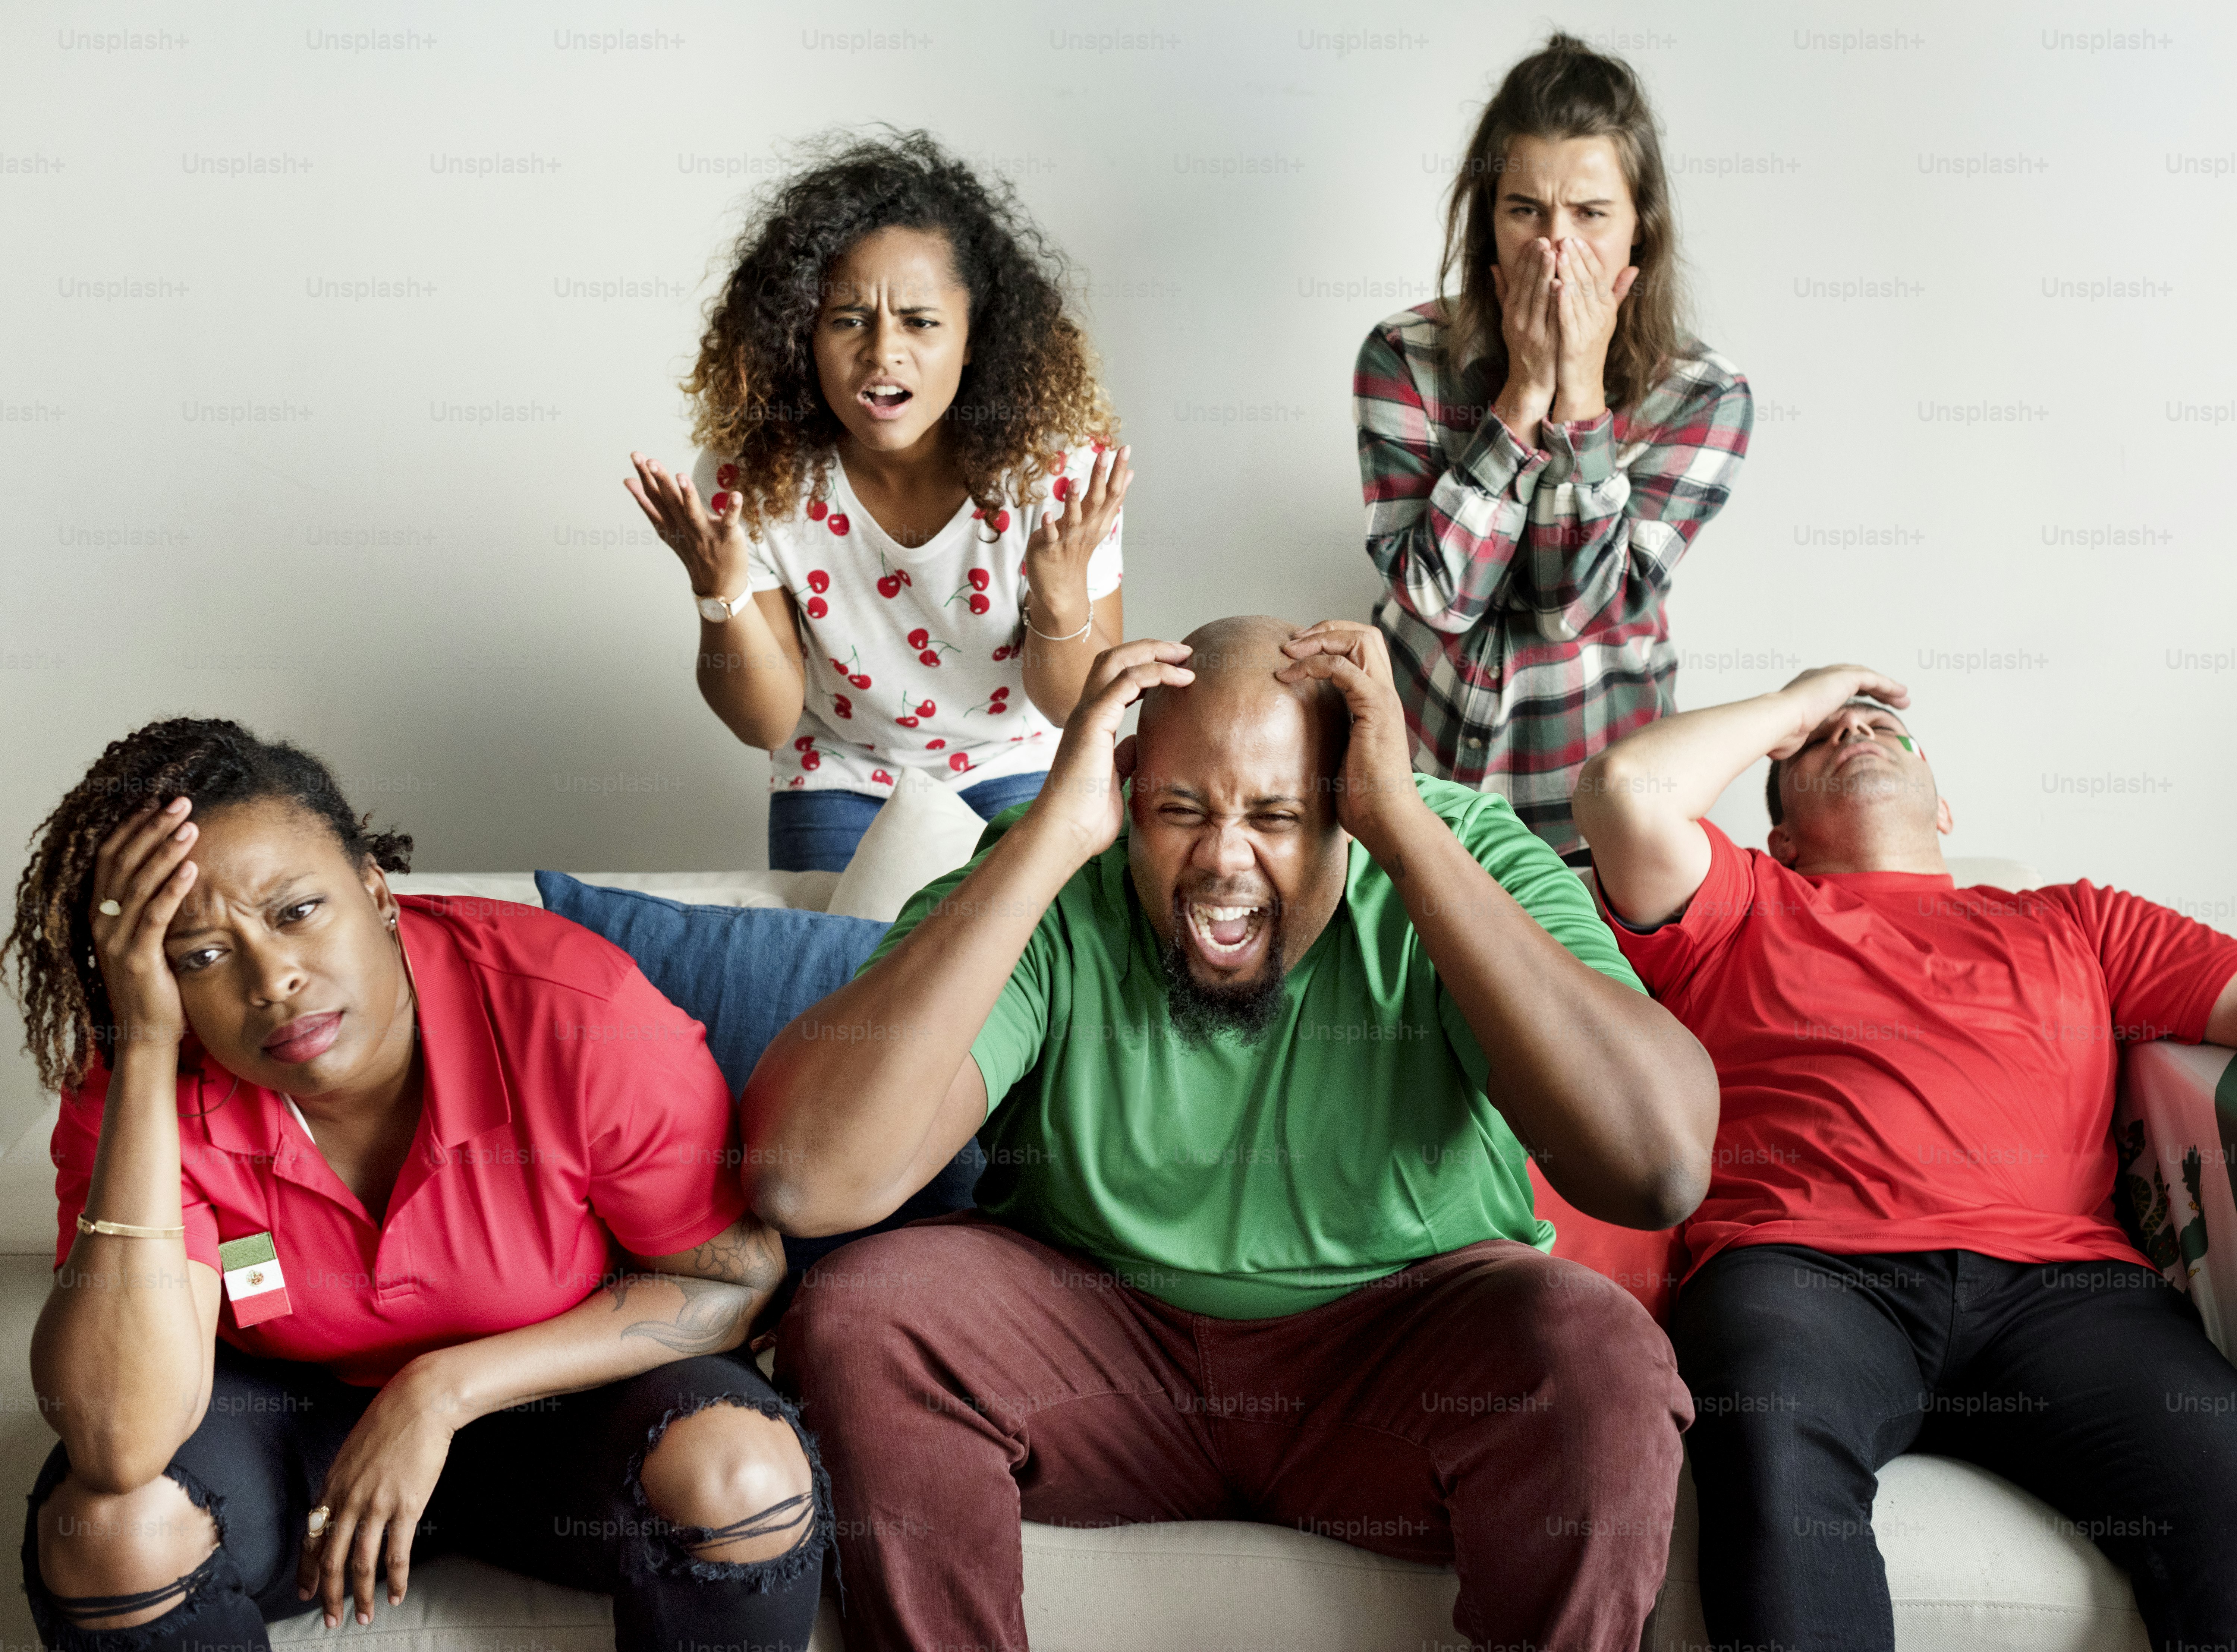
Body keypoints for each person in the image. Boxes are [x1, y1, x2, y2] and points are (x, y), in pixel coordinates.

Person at [742, 615, 1721, 1651]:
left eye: (1280, 814)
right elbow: (805, 1183)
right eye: (1179, 809)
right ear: (1125, 788)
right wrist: (1051, 843)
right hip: (1101, 1347)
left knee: (1600, 1354)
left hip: (1401, 1351)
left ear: (1349, 797)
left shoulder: (1456, 851)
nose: (1223, 860)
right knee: (867, 1313)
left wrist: (1403, 832)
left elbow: (1655, 1170)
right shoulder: (1054, 861)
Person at [0, 721, 827, 1652]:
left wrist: (440, 1391)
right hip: (285, 1428)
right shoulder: (142, 1084)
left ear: (377, 890)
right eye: (201, 956)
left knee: (745, 1474)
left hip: (557, 1407)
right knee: (110, 1531)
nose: (274, 979)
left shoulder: (577, 1013)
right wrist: (146, 1049)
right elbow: (119, 1441)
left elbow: (733, 1277)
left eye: (296, 910)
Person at [1572, 666, 2237, 1650]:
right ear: (1782, 834)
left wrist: (1822, 725)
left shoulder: (2079, 920)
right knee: (1766, 1450)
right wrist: (1800, 702)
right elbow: (1626, 791)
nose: (1857, 733)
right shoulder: (1740, 900)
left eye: (1884, 726)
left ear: (1948, 807)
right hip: (1804, 1274)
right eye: (1819, 741)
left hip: (2065, 1289)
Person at [628, 128, 1130, 872]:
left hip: (1020, 762)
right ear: (802, 336)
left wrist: (1059, 601)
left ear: (972, 339)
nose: (883, 351)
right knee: (847, 971)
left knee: (1023, 967)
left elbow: (1077, 711)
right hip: (842, 771)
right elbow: (767, 721)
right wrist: (719, 592)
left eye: (920, 322)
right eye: (848, 320)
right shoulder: (756, 475)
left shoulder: (1054, 470)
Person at [1355, 32, 1752, 858]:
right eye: (1525, 210)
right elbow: (1436, 595)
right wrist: (1521, 396)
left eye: (1591, 215)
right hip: (1410, 790)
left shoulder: (1705, 397)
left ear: (1640, 231)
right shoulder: (1403, 358)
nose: (1555, 248)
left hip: (1590, 819)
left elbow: (1573, 610)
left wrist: (1578, 401)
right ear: (1487, 222)